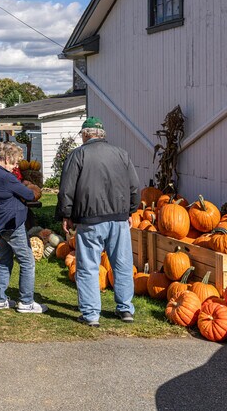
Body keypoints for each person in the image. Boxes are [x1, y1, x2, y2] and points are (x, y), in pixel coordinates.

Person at [55, 117, 140, 327]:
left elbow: (67, 189)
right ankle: (125, 309)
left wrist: (66, 215)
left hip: (90, 220)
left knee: (88, 267)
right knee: (122, 264)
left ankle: (91, 314)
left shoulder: (78, 155)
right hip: (119, 220)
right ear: (102, 134)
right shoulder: (121, 154)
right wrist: (130, 210)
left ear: (85, 134)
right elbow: (134, 186)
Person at [0, 142, 47, 314]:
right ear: (6, 158)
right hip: (11, 224)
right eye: (14, 162)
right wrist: (28, 186)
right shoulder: (5, 176)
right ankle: (26, 302)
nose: (15, 166)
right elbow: (28, 194)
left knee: (5, 260)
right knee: (27, 261)